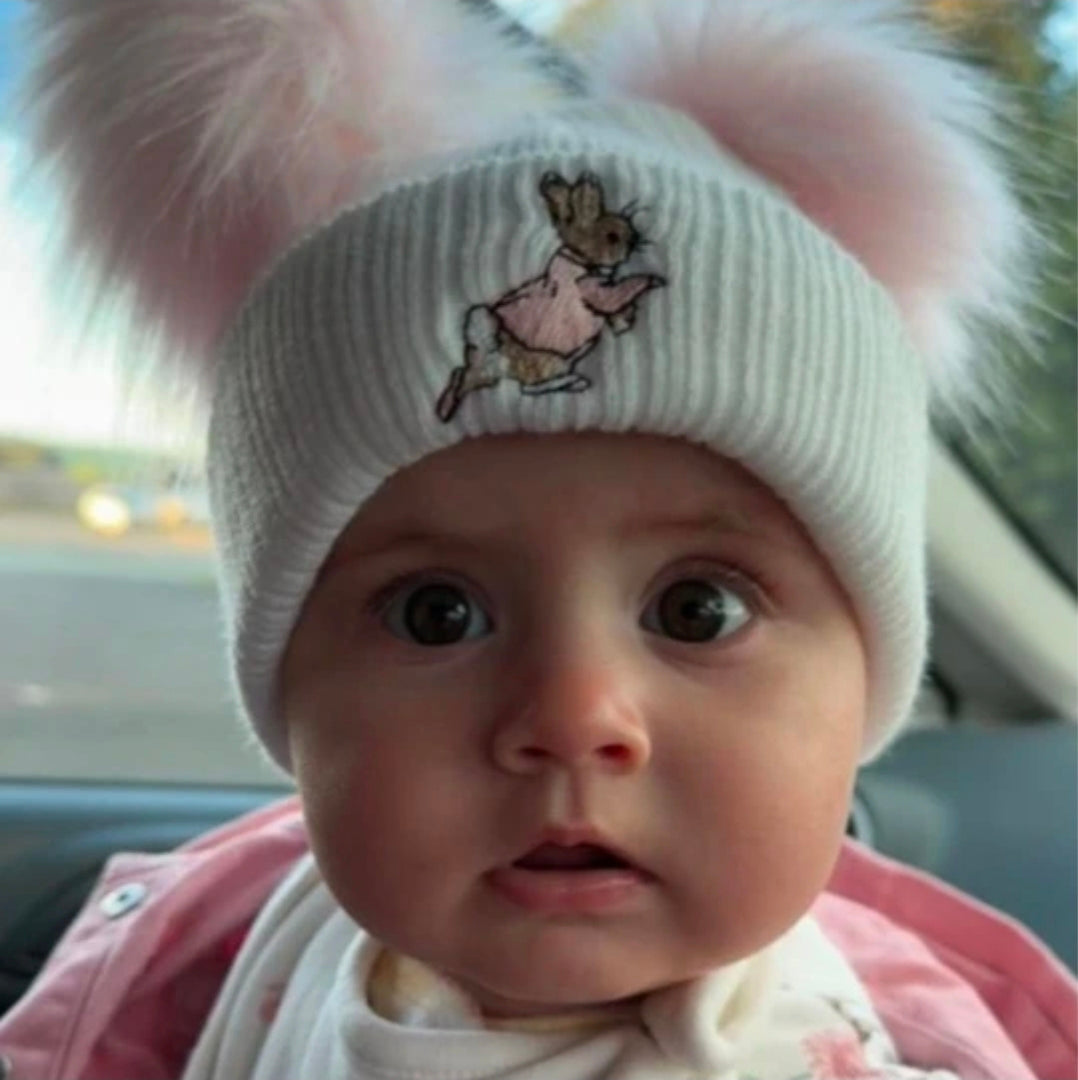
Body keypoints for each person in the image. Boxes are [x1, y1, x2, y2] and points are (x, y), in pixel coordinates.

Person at [4, 0, 1071, 1077]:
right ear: (292, 691)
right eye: (437, 613)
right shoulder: (210, 967)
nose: (571, 714)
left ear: (864, 687)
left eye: (699, 610)